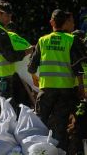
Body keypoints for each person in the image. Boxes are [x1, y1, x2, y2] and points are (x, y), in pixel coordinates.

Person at [28, 9, 87, 151]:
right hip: (65, 90)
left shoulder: (42, 41)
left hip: (46, 89)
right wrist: (81, 87)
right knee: (60, 124)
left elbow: (31, 67)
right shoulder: (71, 40)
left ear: (52, 22)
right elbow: (77, 67)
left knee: (40, 122)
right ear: (65, 23)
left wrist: (35, 81)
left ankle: (37, 150)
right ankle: (58, 151)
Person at [0, 1, 34, 123]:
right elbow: (11, 56)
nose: (10, 19)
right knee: (3, 107)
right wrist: (28, 51)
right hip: (0, 76)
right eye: (7, 16)